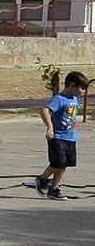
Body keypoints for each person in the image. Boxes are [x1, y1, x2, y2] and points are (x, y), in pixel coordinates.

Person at [38, 70, 88, 199]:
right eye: (82, 88)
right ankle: (42, 179)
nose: (83, 91)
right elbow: (44, 111)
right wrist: (50, 127)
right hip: (57, 137)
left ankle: (54, 189)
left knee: (64, 164)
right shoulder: (59, 99)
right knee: (58, 162)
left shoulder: (74, 98)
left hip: (70, 137)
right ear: (72, 85)